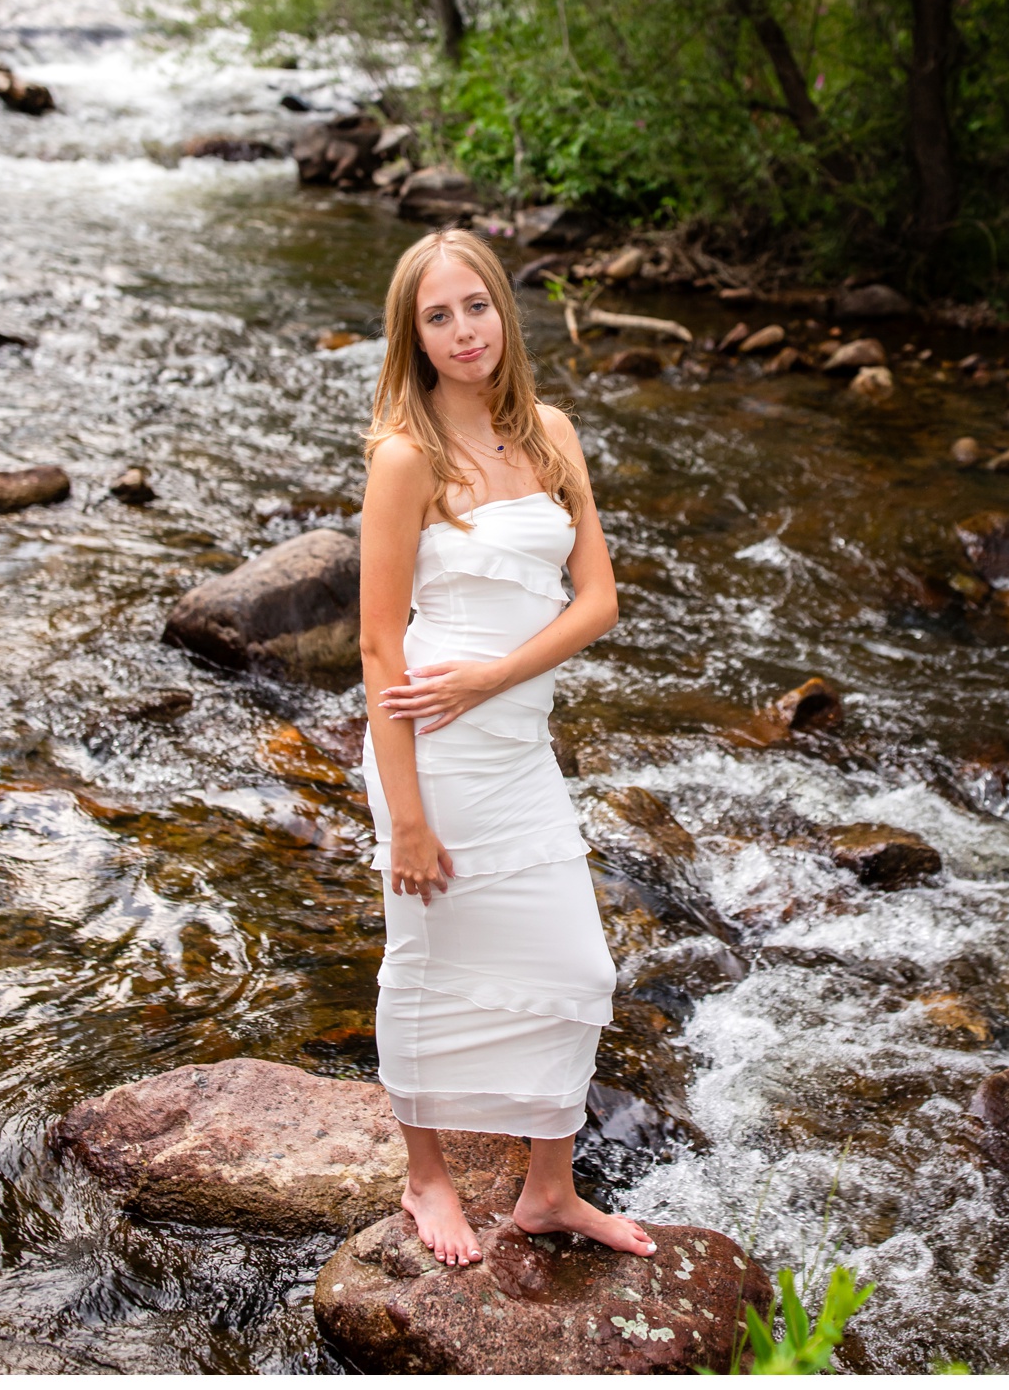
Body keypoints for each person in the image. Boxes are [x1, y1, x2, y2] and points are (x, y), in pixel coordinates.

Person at [356, 227, 653, 1265]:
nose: (462, 329)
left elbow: (601, 599)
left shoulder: (553, 432)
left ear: (501, 310)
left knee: (578, 967)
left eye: (474, 305)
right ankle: (426, 1177)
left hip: (516, 743)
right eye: (438, 316)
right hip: (433, 750)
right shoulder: (406, 457)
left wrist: (496, 675)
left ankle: (547, 1192)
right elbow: (379, 643)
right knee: (428, 960)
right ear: (416, 335)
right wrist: (406, 820)